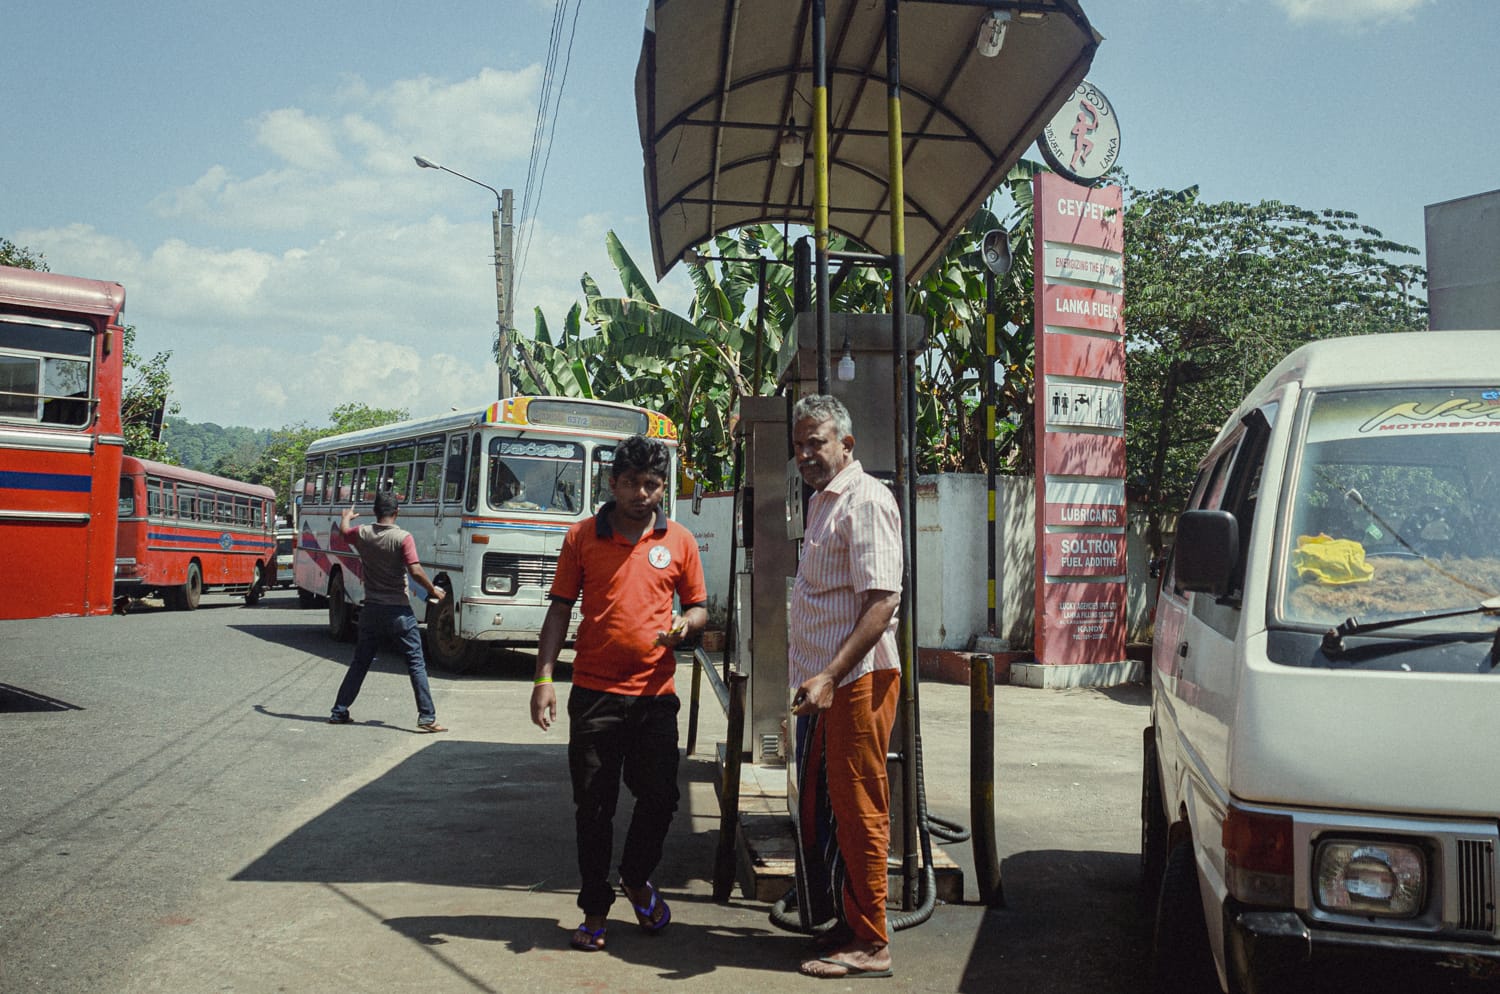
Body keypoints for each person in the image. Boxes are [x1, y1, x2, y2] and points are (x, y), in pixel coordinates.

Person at [529, 434, 708, 954]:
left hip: (656, 696)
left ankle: (635, 877)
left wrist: (686, 624)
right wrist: (544, 680)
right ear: (612, 483)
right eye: (631, 482)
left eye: (652, 484)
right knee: (594, 807)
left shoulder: (680, 540)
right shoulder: (582, 537)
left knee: (661, 799)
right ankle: (593, 909)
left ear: (662, 487)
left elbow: (698, 607)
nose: (641, 493)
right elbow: (560, 609)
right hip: (594, 695)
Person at [787, 394, 903, 980]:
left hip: (855, 678)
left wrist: (831, 675)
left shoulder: (866, 500)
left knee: (858, 808)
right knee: (827, 808)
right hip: (825, 684)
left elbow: (882, 601)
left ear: (847, 446)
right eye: (800, 443)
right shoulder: (821, 503)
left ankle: (872, 943)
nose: (807, 453)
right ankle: (849, 921)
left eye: (818, 442)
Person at [327, 490, 447, 733]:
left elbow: (343, 532)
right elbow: (414, 570)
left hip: (371, 610)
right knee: (415, 662)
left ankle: (339, 710)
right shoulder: (403, 538)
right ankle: (426, 716)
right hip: (398, 611)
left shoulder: (362, 533)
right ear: (397, 511)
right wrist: (433, 590)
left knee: (360, 662)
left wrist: (347, 516)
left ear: (374, 511)